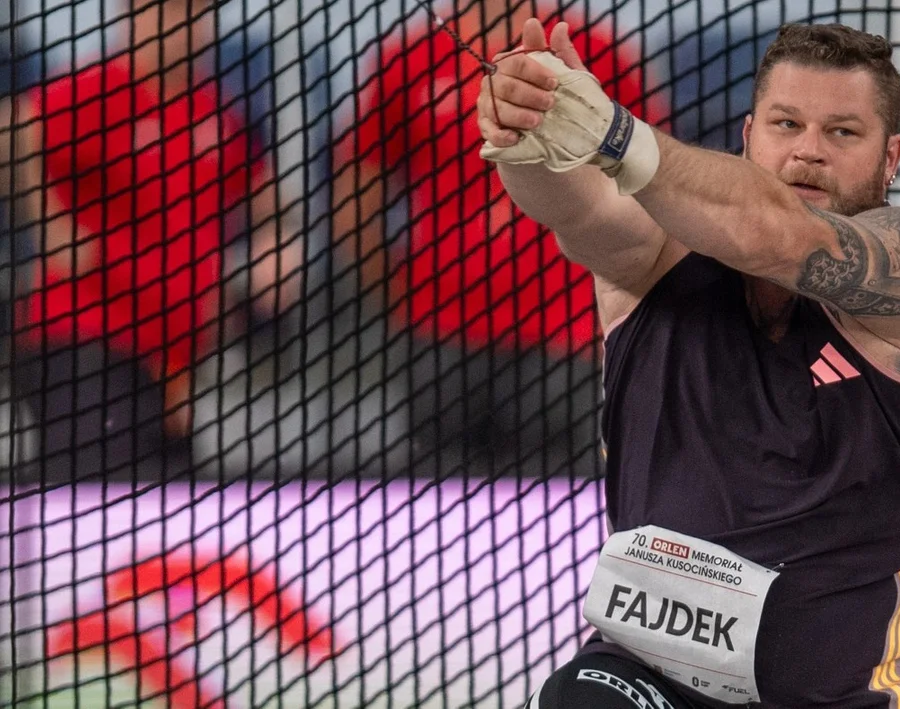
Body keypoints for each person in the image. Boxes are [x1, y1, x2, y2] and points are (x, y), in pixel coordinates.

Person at [478, 19, 900, 709]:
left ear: (891, 156)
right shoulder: (656, 255)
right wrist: (527, 132)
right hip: (655, 678)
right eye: (787, 124)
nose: (809, 151)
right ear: (749, 133)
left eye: (843, 132)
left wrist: (616, 134)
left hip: (871, 695)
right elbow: (577, 207)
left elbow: (779, 234)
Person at [332, 0, 665, 465]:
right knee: (443, 492)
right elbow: (358, 189)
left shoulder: (592, 50)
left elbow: (649, 179)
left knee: (565, 489)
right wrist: (392, 291)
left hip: (565, 332)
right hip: (442, 330)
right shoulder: (409, 57)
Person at [1, 0, 301, 475]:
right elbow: (14, 130)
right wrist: (50, 223)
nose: (185, 26)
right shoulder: (95, 91)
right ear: (130, 16)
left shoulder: (211, 108)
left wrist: (277, 238)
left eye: (194, 13)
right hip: (88, 345)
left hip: (175, 358)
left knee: (172, 503)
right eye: (168, 12)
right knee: (99, 500)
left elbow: (262, 191)